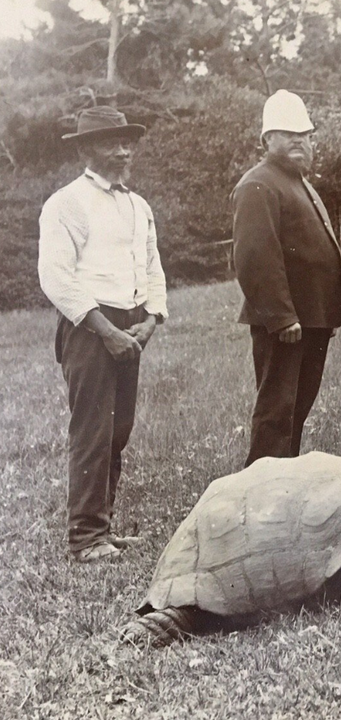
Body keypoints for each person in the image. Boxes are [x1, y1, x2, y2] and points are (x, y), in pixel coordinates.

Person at [38, 105, 168, 563]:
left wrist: (152, 319)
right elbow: (56, 277)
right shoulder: (66, 203)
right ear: (87, 149)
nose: (125, 149)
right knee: (92, 430)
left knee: (119, 429)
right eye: (113, 141)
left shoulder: (138, 204)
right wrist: (105, 330)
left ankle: (103, 528)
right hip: (89, 329)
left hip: (132, 325)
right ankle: (86, 537)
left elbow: (152, 266)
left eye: (129, 140)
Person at [232, 90, 341, 467]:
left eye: (305, 133)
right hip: (286, 323)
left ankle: (283, 489)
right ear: (267, 139)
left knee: (296, 411)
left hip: (313, 320)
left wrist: (324, 315)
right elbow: (254, 258)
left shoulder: (299, 183)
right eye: (287, 133)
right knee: (276, 413)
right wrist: (282, 317)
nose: (299, 139)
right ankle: (260, 496)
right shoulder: (258, 184)